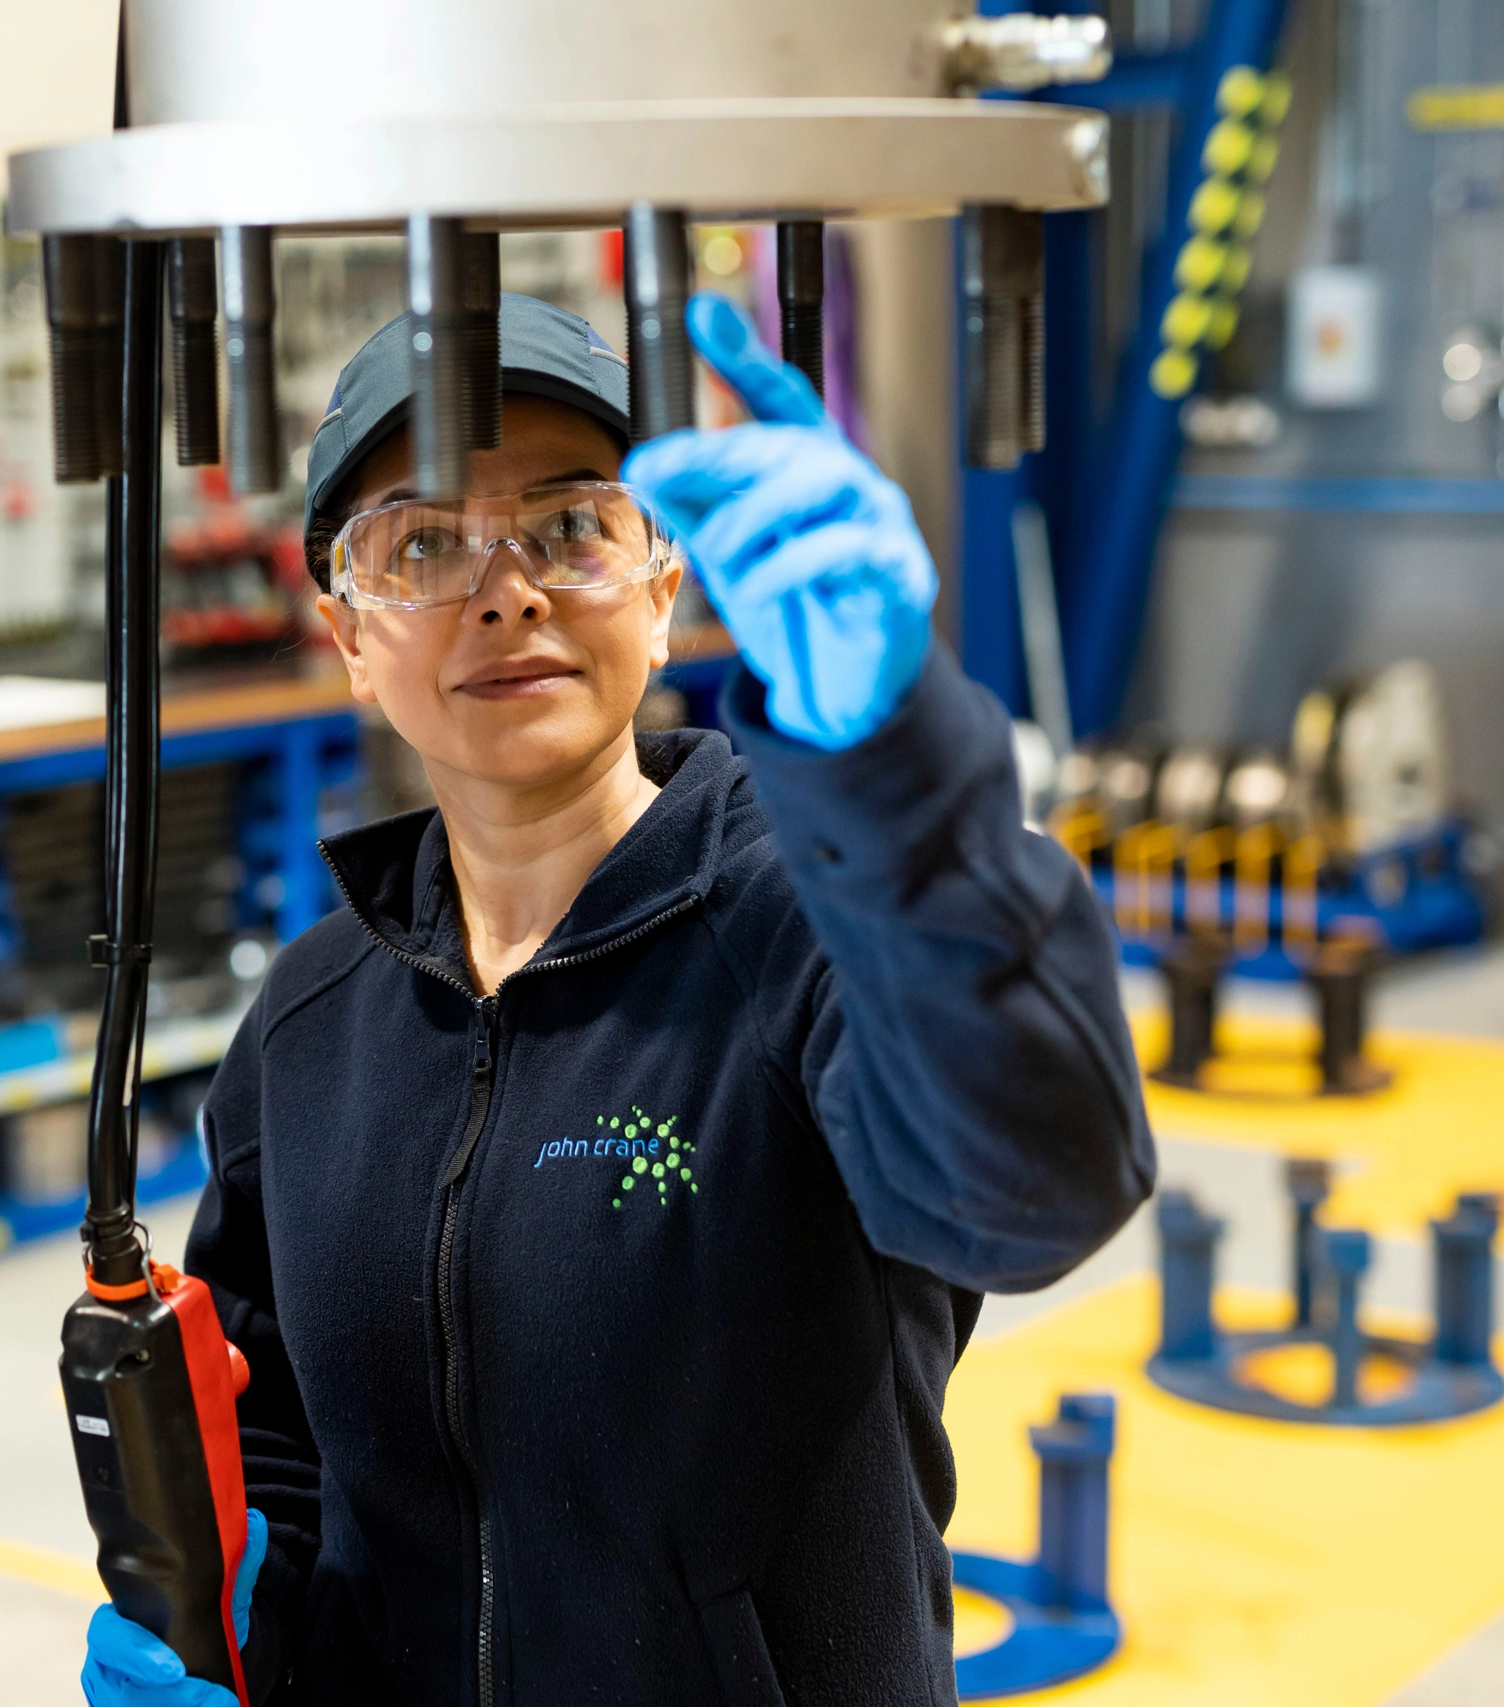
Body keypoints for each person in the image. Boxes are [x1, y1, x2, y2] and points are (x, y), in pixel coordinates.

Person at [83, 289, 1150, 1707]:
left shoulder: (815, 938)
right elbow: (275, 1432)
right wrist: (238, 1631)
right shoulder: (310, 1021)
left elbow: (1036, 1190)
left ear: (661, 589)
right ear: (348, 635)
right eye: (423, 545)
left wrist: (902, 776)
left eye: (570, 525)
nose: (506, 589)